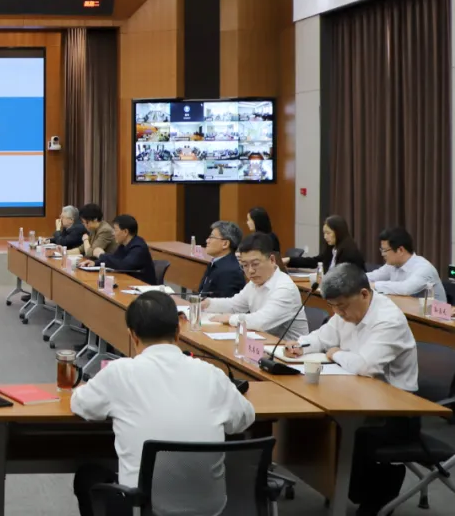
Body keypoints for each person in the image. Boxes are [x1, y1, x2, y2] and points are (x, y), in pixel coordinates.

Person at [71, 292, 255, 516]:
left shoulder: (119, 373)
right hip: (209, 508)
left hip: (143, 507)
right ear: (178, 331)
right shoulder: (211, 374)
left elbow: (81, 405)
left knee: (87, 475)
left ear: (133, 335)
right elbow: (244, 419)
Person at [284, 264, 418, 515]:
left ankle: (381, 493)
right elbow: (323, 337)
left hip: (395, 411)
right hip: (355, 394)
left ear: (364, 294)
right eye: (333, 307)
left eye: (342, 307)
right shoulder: (346, 311)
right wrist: (301, 345)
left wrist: (334, 353)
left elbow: (365, 366)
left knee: (344, 433)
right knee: (315, 422)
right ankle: (341, 487)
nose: (338, 313)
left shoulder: (388, 320)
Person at [202, 233, 308, 340]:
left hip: (287, 348)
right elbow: (234, 305)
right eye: (245, 265)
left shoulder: (285, 288)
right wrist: (208, 304)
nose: (250, 271)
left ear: (272, 260)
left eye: (255, 264)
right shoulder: (254, 283)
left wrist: (230, 318)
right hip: (263, 343)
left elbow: (261, 321)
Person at [367, 227, 447, 303]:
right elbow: (374, 276)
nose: (382, 254)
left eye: (385, 250)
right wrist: (360, 280)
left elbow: (406, 288)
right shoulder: (392, 265)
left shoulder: (424, 268)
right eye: (381, 250)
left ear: (400, 250)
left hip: (434, 312)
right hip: (409, 309)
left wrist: (374, 285)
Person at [81, 214, 157, 285]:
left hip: (143, 286)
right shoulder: (123, 245)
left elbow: (123, 265)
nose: (113, 233)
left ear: (125, 232)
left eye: (115, 230)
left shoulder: (138, 247)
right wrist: (95, 263)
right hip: (128, 282)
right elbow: (114, 259)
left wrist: (102, 255)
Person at [285, 214, 366, 272]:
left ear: (338, 232)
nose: (325, 237)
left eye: (328, 233)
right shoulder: (332, 248)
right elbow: (314, 261)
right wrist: (289, 260)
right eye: (324, 233)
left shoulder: (349, 252)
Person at [197, 220, 246, 298]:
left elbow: (224, 302)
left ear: (225, 244)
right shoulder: (216, 262)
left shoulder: (230, 271)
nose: (207, 240)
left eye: (211, 237)